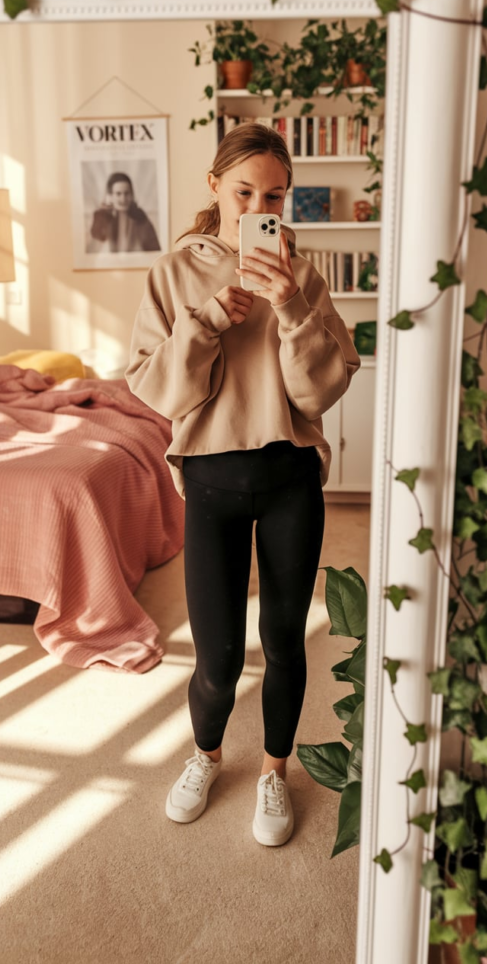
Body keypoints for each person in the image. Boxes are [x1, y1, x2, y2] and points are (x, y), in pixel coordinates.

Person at [125, 123, 360, 847]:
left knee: (285, 640)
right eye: (245, 191)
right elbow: (155, 389)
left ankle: (273, 772)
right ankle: (205, 757)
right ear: (215, 187)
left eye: (275, 196)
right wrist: (203, 321)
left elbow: (319, 392)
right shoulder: (171, 274)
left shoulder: (304, 275)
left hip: (290, 477)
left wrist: (289, 306)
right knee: (218, 654)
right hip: (213, 480)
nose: (260, 205)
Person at [90, 171, 161, 253]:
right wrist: (103, 216)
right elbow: (96, 244)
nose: (123, 199)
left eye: (126, 193)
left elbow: (154, 250)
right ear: (110, 195)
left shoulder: (140, 218)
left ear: (131, 195)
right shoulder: (101, 216)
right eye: (118, 194)